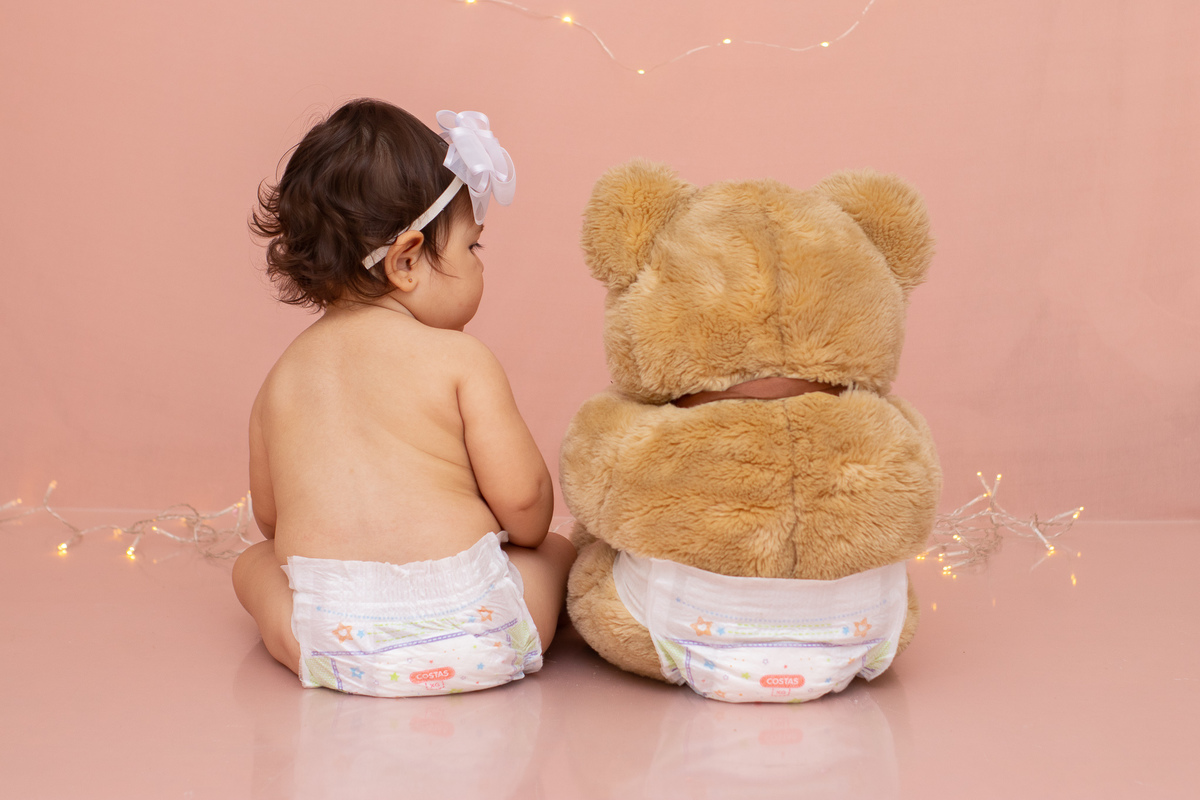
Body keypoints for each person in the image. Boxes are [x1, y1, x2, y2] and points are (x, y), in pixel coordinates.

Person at [232, 99, 575, 697]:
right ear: (407, 260)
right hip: (477, 627)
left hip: (338, 638)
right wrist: (530, 537)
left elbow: (271, 521)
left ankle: (312, 651)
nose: (479, 265)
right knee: (557, 551)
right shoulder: (460, 358)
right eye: (473, 248)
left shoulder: (279, 380)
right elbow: (524, 505)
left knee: (251, 565)